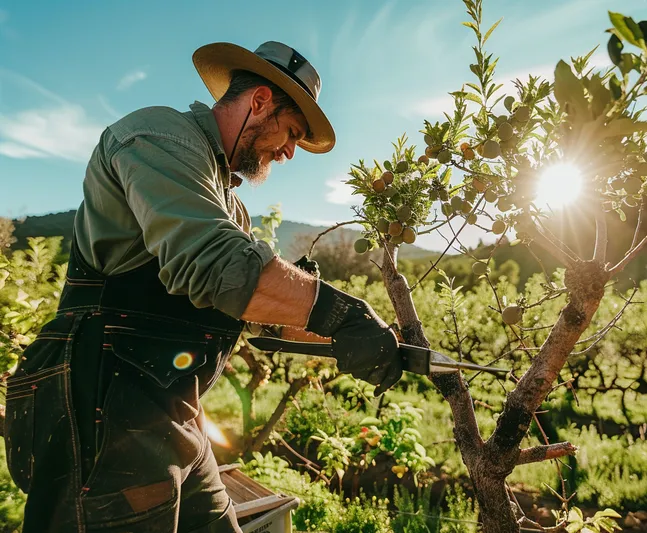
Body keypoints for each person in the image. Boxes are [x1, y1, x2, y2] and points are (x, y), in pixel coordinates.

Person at [2, 41, 403, 532]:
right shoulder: (158, 136)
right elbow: (217, 265)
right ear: (259, 102)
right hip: (103, 410)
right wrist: (344, 313)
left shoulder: (226, 202)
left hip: (169, 414)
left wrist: (356, 342)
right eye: (292, 132)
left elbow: (250, 304)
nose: (290, 152)